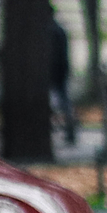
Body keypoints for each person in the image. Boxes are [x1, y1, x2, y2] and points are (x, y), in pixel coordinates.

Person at [49, 13, 75, 145]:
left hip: (54, 71)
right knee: (64, 103)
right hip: (61, 70)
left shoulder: (51, 31)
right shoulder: (59, 30)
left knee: (60, 103)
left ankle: (67, 131)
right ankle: (69, 132)